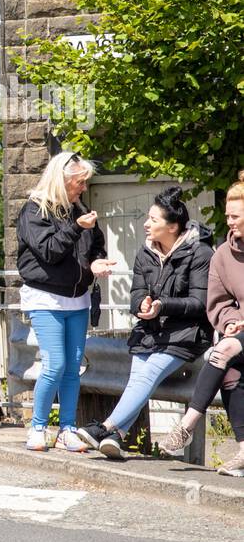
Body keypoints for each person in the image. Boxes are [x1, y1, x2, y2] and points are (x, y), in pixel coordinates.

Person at [76, 188, 212, 460]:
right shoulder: (145, 252)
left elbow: (199, 302)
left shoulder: (201, 254)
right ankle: (117, 436)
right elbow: (136, 293)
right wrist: (142, 306)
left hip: (185, 336)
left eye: (153, 220)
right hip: (149, 332)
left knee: (146, 375)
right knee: (139, 379)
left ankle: (104, 427)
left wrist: (163, 305)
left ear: (172, 227)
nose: (146, 224)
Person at [15, 152, 118, 452]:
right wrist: (76, 228)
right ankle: (38, 427)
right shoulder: (34, 210)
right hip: (45, 297)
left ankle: (67, 429)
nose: (83, 188)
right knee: (55, 364)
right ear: (61, 180)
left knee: (73, 367)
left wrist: (96, 263)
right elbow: (48, 251)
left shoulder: (79, 209)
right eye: (79, 182)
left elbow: (96, 246)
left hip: (77, 298)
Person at [156, 173, 244, 478]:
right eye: (227, 216)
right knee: (230, 365)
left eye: (236, 216)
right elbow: (218, 303)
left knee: (225, 349)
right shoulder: (223, 255)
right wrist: (232, 321)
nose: (230, 222)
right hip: (240, 333)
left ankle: (186, 425)